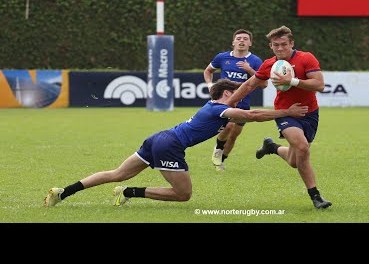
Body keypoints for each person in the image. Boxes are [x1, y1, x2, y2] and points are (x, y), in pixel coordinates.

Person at [44, 78, 307, 208]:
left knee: (116, 173)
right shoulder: (219, 109)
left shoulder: (213, 106)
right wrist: (287, 112)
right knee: (184, 195)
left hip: (159, 137)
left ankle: (62, 192)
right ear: (226, 94)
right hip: (169, 145)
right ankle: (128, 192)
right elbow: (251, 115)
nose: (238, 96)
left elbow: (242, 116)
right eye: (234, 93)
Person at [225, 25, 332, 209]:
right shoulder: (269, 64)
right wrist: (228, 104)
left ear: (292, 43)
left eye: (284, 44)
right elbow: (249, 85)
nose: (280, 48)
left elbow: (319, 85)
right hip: (286, 112)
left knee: (294, 161)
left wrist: (291, 81)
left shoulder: (306, 58)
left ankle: (272, 147)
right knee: (302, 148)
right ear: (271, 46)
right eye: (276, 45)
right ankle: (316, 197)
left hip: (309, 113)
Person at [204, 29, 263, 171]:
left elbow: (264, 84)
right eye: (238, 38)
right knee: (228, 126)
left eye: (245, 38)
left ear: (250, 43)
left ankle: (221, 160)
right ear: (233, 42)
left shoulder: (255, 61)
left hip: (243, 103)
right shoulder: (222, 57)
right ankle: (218, 147)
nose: (241, 41)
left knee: (234, 135)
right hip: (225, 102)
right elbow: (208, 71)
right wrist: (210, 85)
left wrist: (250, 70)